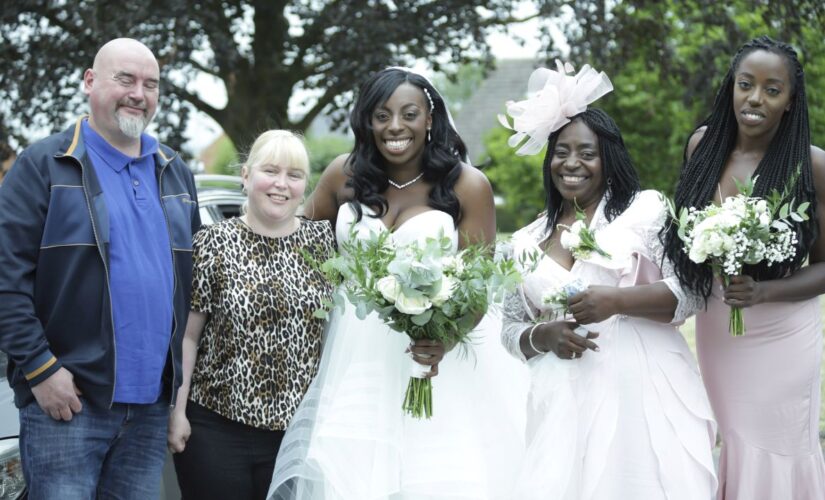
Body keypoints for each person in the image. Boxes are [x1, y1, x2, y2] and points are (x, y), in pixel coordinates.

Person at [268, 67, 528, 499]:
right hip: (355, 361)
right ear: (367, 121)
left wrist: (444, 337)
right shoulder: (341, 175)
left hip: (434, 360)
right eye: (381, 115)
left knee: (432, 477)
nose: (394, 127)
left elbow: (478, 285)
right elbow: (303, 253)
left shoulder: (468, 184)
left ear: (430, 118)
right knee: (354, 478)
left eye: (408, 114)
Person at [500, 64, 717, 499]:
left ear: (608, 159)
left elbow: (692, 292)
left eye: (587, 152)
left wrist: (617, 301)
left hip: (640, 387)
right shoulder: (522, 242)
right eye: (561, 152)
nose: (572, 164)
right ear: (549, 160)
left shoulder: (646, 211)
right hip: (562, 400)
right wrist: (545, 335)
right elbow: (509, 330)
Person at [0, 38, 200, 498]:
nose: (138, 93)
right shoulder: (44, 165)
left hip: (150, 408)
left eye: (150, 84)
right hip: (70, 404)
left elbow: (189, 293)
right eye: (124, 79)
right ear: (90, 82)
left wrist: (176, 395)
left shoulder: (174, 171)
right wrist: (40, 369)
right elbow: (6, 281)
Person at [663, 35, 825, 499]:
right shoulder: (703, 147)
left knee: (777, 442)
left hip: (783, 331)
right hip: (720, 325)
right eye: (746, 84)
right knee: (730, 437)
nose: (755, 99)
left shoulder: (812, 167)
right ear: (730, 87)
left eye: (772, 90)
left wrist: (764, 292)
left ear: (791, 101)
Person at [167, 130, 335, 499]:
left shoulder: (323, 242)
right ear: (246, 175)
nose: (281, 184)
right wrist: (177, 412)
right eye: (270, 171)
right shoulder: (212, 242)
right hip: (215, 428)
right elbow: (188, 337)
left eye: (294, 175)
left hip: (297, 435)